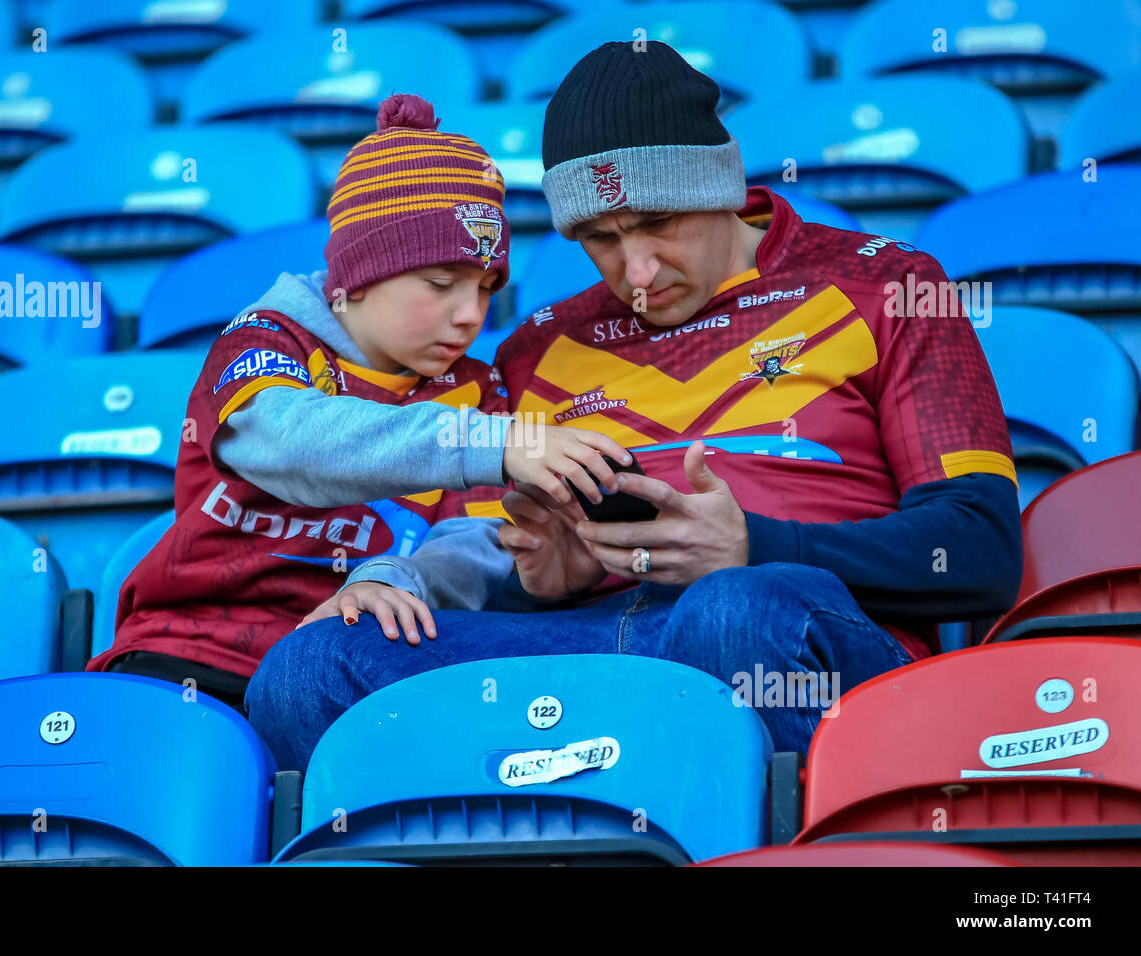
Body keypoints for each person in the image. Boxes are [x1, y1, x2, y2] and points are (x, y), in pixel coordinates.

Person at [244, 42, 1022, 769]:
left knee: (732, 609)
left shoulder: (888, 285)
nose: (638, 271)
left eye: (657, 223)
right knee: (309, 667)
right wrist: (543, 577)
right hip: (589, 647)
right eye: (599, 237)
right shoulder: (539, 347)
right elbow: (484, 558)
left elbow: (981, 550)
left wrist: (756, 545)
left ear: (721, 185)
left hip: (782, 627)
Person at [85, 93, 630, 709]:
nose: (468, 315)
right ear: (360, 275)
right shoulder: (268, 338)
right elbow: (288, 441)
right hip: (192, 650)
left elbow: (480, 538)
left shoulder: (478, 389)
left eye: (484, 289)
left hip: (359, 656)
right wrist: (486, 442)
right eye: (441, 284)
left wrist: (397, 576)